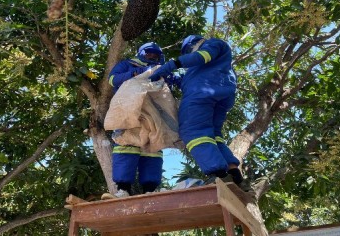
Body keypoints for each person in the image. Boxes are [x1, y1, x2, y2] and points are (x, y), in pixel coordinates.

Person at [149, 35, 250, 190]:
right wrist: (169, 78)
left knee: (194, 131)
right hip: (221, 98)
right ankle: (235, 176)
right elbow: (184, 81)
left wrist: (174, 63)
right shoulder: (206, 67)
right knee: (214, 137)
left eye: (188, 51)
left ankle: (219, 175)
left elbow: (202, 56)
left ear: (193, 44)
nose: (188, 55)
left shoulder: (212, 45)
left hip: (201, 95)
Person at [103, 42, 165, 199]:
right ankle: (123, 190)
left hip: (153, 114)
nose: (152, 56)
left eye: (155, 54)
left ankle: (150, 191)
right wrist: (135, 73)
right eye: (149, 53)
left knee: (153, 149)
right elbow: (112, 80)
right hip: (128, 110)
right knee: (126, 145)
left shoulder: (162, 71)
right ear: (142, 53)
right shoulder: (127, 64)